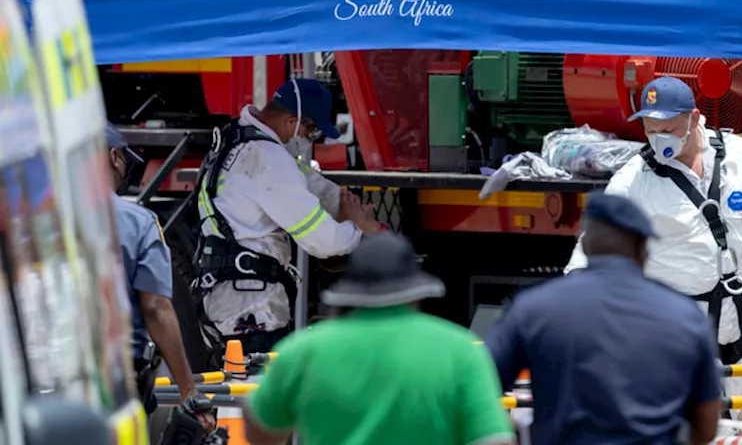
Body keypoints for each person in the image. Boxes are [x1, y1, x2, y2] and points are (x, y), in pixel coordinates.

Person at [563, 77, 742, 398]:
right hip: (677, 329)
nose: (658, 140)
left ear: (694, 118)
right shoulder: (635, 179)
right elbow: (592, 247)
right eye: (650, 131)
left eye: (666, 130)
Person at [485, 193, 722, 445]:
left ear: (586, 245)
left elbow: (476, 387)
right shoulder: (685, 314)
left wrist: (521, 435)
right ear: (642, 246)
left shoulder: (532, 307)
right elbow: (706, 425)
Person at [244, 232, 514, 445]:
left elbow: (260, 428)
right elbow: (493, 440)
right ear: (417, 291)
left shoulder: (303, 350)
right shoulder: (460, 350)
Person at [194, 78, 386, 354]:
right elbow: (323, 241)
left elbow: (306, 183)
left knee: (234, 389)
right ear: (292, 120)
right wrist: (357, 228)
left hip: (229, 297)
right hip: (251, 309)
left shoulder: (239, 137)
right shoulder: (268, 158)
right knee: (257, 392)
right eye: (311, 131)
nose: (308, 139)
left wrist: (345, 205)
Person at [105, 125, 213, 433]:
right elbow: (155, 307)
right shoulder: (139, 223)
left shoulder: (36, 220)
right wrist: (188, 390)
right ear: (114, 158)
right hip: (118, 385)